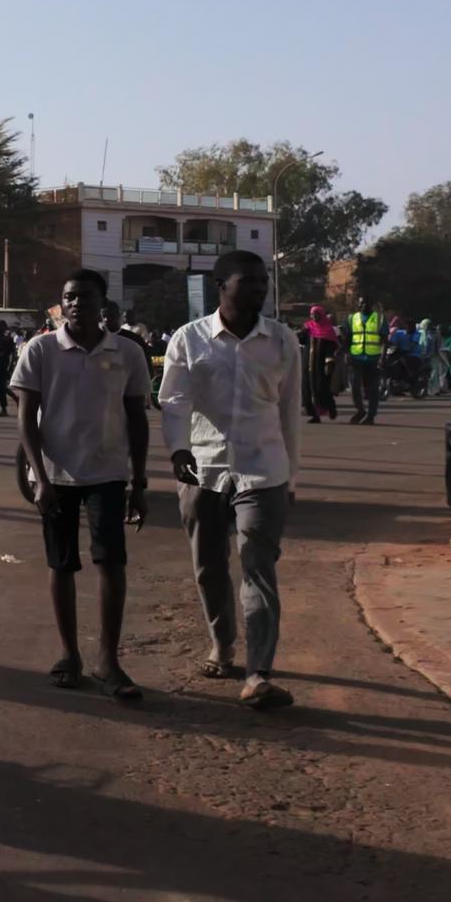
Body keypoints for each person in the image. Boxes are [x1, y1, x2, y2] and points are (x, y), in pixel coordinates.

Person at [160, 250, 302, 710]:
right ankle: (222, 646)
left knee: (258, 567)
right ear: (221, 284)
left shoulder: (282, 341)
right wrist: (178, 449)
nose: (260, 288)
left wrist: (290, 477)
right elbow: (174, 401)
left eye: (264, 281)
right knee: (209, 567)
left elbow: (290, 413)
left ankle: (258, 673)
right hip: (202, 469)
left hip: (264, 470)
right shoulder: (189, 339)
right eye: (249, 280)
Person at [13, 269, 152, 701]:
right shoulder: (40, 349)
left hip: (107, 474)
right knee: (62, 564)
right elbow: (26, 418)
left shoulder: (127, 352)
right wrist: (38, 478)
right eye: (69, 297)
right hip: (55, 476)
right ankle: (69, 655)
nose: (76, 304)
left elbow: (138, 418)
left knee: (111, 563)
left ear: (102, 303)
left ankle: (108, 660)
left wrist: (139, 480)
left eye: (85, 297)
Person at [347, 295, 385, 424]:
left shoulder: (379, 319)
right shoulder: (352, 318)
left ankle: (371, 416)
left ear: (371, 305)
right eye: (361, 303)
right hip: (356, 358)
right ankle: (360, 410)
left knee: (373, 389)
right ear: (358, 305)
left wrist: (382, 358)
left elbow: (385, 340)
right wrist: (345, 352)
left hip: (373, 359)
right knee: (355, 386)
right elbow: (348, 338)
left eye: (366, 303)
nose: (364, 305)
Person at [302, 306, 341, 423]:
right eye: (312, 314)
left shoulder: (328, 330)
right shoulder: (308, 327)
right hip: (308, 363)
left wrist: (329, 362)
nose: (313, 316)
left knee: (321, 388)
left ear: (321, 315)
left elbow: (331, 348)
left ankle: (331, 408)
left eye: (316, 314)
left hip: (320, 365)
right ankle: (315, 415)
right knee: (307, 389)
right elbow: (301, 340)